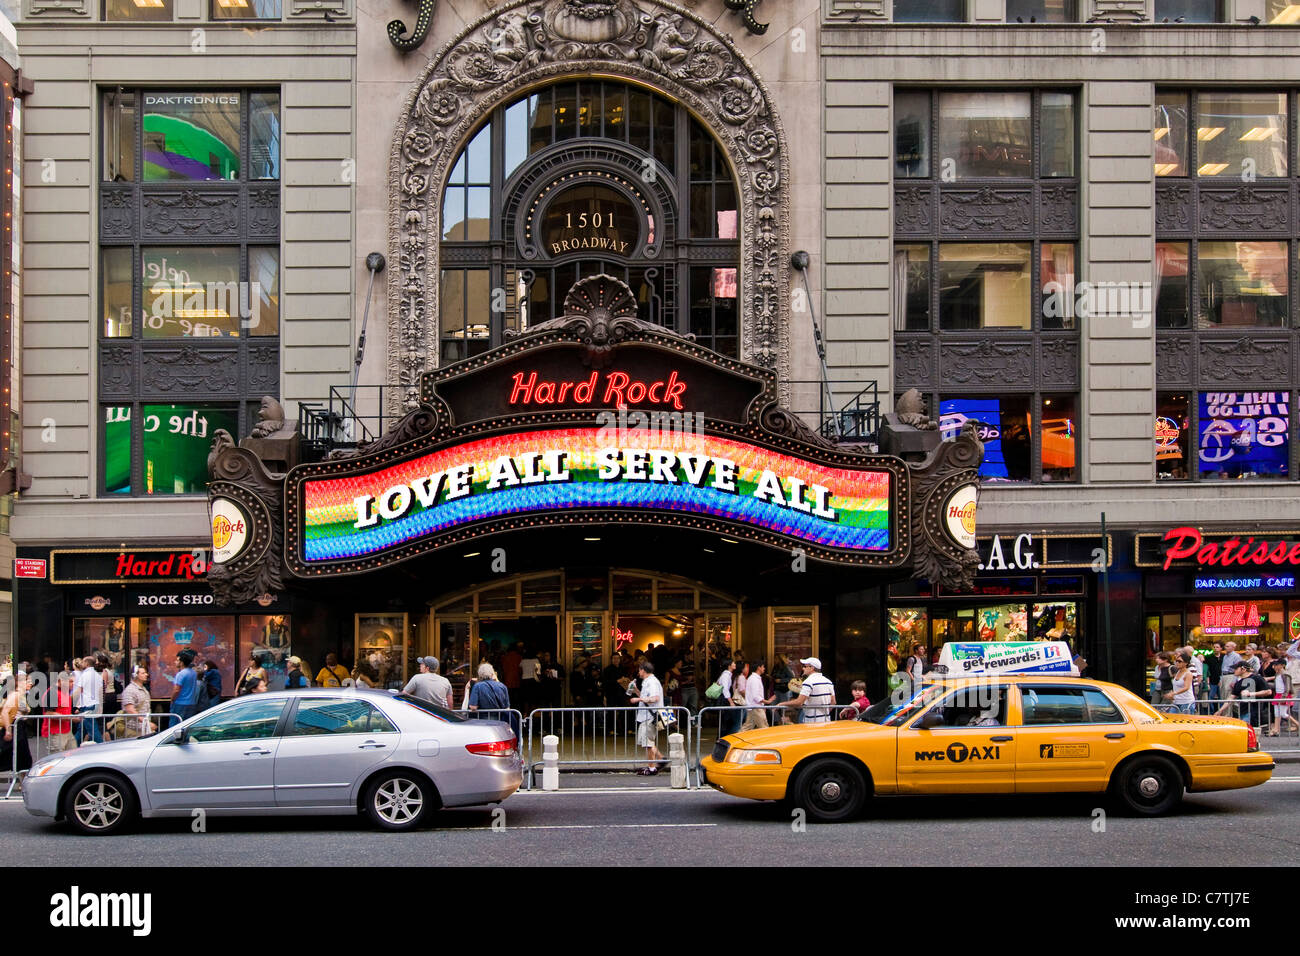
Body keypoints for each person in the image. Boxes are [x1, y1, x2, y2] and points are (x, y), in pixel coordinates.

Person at [629, 661, 664, 775]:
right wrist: (636, 691)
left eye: (639, 670)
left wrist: (638, 699)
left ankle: (652, 768)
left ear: (643, 670)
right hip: (646, 716)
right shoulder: (647, 681)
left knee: (648, 743)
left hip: (649, 716)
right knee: (648, 742)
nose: (638, 672)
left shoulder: (652, 682)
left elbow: (655, 698)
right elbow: (646, 698)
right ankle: (661, 759)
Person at [0, 672, 32, 783]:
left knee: (23, 758)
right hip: (14, 728)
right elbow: (5, 712)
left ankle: (23, 783)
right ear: (19, 683)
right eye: (28, 681)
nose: (31, 683)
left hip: (19, 728)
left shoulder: (21, 695)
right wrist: (8, 730)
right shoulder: (15, 695)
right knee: (7, 755)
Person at [1217, 661, 1270, 726]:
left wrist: (1251, 694)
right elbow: (1231, 698)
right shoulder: (1238, 683)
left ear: (1243, 669)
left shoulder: (1257, 678)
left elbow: (1268, 691)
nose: (1234, 670)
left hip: (1254, 710)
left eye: (1236, 669)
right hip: (1243, 711)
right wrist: (1220, 710)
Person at [784, 657, 835, 724]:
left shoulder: (808, 682)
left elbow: (799, 702)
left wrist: (782, 704)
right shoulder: (828, 682)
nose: (803, 668)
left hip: (811, 722)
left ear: (812, 668)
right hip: (826, 720)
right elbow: (833, 702)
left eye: (805, 666)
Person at [39, 672, 77, 752]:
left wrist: (73, 715)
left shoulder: (64, 692)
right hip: (54, 732)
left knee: (72, 755)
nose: (72, 684)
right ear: (60, 681)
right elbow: (49, 713)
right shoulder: (52, 693)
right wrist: (71, 718)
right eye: (70, 681)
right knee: (58, 759)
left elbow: (64, 711)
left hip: (65, 730)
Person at [73, 656, 103, 744]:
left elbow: (79, 691)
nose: (81, 664)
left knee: (92, 729)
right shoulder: (98, 675)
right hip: (94, 704)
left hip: (87, 705)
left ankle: (101, 746)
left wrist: (69, 700)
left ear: (86, 664)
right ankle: (73, 746)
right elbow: (100, 692)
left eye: (82, 662)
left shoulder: (84, 675)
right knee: (82, 729)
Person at [118, 666, 153, 738]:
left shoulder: (143, 689)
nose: (146, 674)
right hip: (134, 730)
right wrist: (146, 723)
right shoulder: (130, 690)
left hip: (143, 729)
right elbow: (130, 710)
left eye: (146, 672)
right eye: (143, 673)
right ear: (135, 675)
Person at [741, 660, 775, 730]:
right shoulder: (754, 679)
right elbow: (756, 697)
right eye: (763, 667)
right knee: (764, 728)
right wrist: (767, 701)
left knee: (746, 728)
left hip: (754, 707)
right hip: (756, 707)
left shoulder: (753, 678)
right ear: (759, 667)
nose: (764, 668)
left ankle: (735, 740)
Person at [1268, 660, 1299, 737]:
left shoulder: (1285, 674)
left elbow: (1287, 686)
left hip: (1283, 695)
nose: (1274, 667)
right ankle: (1276, 729)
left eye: (1276, 665)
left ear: (1282, 665)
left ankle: (1297, 724)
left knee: (1283, 713)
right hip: (1278, 694)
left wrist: (1284, 696)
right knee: (1277, 713)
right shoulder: (1277, 674)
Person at [170, 649, 199, 721]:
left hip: (180, 703)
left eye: (177, 660)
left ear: (181, 663)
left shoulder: (181, 674)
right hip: (191, 703)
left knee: (175, 723)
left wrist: (172, 699)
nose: (175, 662)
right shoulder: (193, 673)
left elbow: (176, 690)